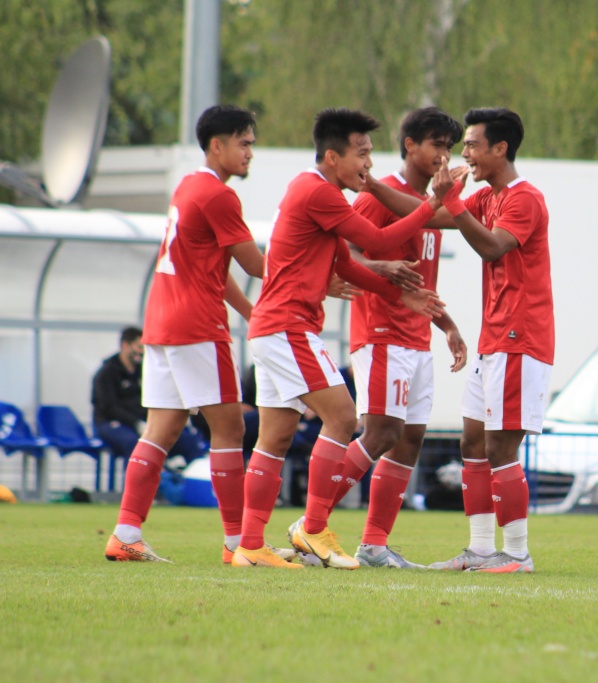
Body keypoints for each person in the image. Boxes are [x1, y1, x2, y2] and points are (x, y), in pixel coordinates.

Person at [234, 107, 451, 569]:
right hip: (287, 327)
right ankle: (313, 529)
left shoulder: (316, 191)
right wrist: (432, 207)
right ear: (332, 157)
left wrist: (403, 296)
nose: (368, 165)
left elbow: (348, 265)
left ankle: (250, 545)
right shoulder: (319, 192)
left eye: (371, 154)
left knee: (274, 437)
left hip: (276, 327)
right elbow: (374, 235)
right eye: (361, 154)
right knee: (343, 416)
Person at [368, 107, 554, 574]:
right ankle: (480, 549)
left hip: (521, 337)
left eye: (471, 144)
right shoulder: (490, 197)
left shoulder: (525, 198)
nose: (463, 153)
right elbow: (425, 216)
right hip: (495, 337)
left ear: (500, 149)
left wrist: (449, 201)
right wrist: (370, 186)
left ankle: (517, 554)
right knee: (472, 443)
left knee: (500, 449)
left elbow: (492, 246)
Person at [104, 105, 270, 565]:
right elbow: (256, 264)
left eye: (252, 143)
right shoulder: (219, 196)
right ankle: (240, 543)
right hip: (198, 326)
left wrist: (251, 312)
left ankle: (125, 532)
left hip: (161, 323)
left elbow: (214, 268)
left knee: (163, 428)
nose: (250, 152)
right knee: (231, 426)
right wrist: (320, 269)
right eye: (244, 142)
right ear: (217, 145)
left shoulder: (189, 186)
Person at [319, 106, 468, 569]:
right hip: (380, 331)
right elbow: (345, 253)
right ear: (410, 146)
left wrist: (446, 324)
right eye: (437, 145)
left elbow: (420, 280)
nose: (444, 155)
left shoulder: (432, 206)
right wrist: (379, 268)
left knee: (411, 438)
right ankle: (311, 524)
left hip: (415, 337)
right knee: (382, 432)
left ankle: (374, 544)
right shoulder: (379, 195)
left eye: (450, 147)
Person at [92, 326, 206, 467]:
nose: (141, 352)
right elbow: (109, 407)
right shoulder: (106, 373)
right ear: (125, 345)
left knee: (186, 439)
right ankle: (137, 487)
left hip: (144, 423)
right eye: (139, 347)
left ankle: (189, 483)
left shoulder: (144, 371)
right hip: (110, 423)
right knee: (136, 445)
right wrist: (136, 422)